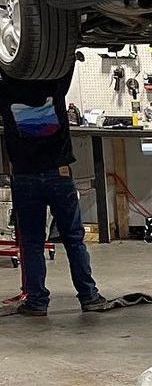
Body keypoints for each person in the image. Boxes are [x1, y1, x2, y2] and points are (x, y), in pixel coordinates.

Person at [0, 68, 108, 318]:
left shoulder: (5, 92)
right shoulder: (54, 86)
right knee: (73, 240)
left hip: (25, 177)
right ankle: (89, 297)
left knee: (32, 243)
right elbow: (65, 65)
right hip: (58, 175)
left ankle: (37, 301)